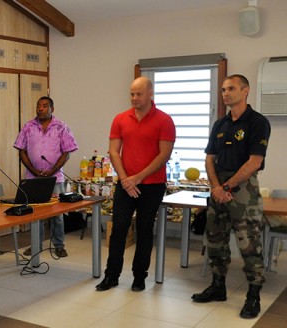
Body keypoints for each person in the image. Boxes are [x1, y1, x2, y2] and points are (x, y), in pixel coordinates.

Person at [191, 74, 270, 319]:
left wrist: (226, 187)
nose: (225, 93)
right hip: (218, 188)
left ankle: (253, 295)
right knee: (215, 239)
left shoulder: (257, 122)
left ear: (245, 91)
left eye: (231, 88)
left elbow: (255, 162)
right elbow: (209, 158)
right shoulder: (220, 124)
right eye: (224, 89)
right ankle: (218, 286)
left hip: (243, 188)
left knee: (249, 245)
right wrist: (216, 187)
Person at [96, 77, 175, 292]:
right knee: (119, 228)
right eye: (131, 94)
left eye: (139, 94)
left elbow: (164, 155)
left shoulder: (164, 120)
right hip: (126, 183)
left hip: (152, 185)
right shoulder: (121, 119)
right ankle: (111, 276)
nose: (134, 98)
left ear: (150, 93)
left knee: (144, 228)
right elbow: (114, 151)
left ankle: (139, 277)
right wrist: (125, 179)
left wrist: (137, 178)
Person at [13, 96, 78, 257]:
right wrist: (34, 171)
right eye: (38, 105)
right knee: (35, 213)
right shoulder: (28, 126)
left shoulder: (61, 127)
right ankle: (36, 245)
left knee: (57, 213)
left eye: (44, 106)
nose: (40, 108)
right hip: (32, 177)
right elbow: (21, 150)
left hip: (55, 178)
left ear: (52, 109)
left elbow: (67, 152)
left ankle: (59, 245)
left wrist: (52, 170)